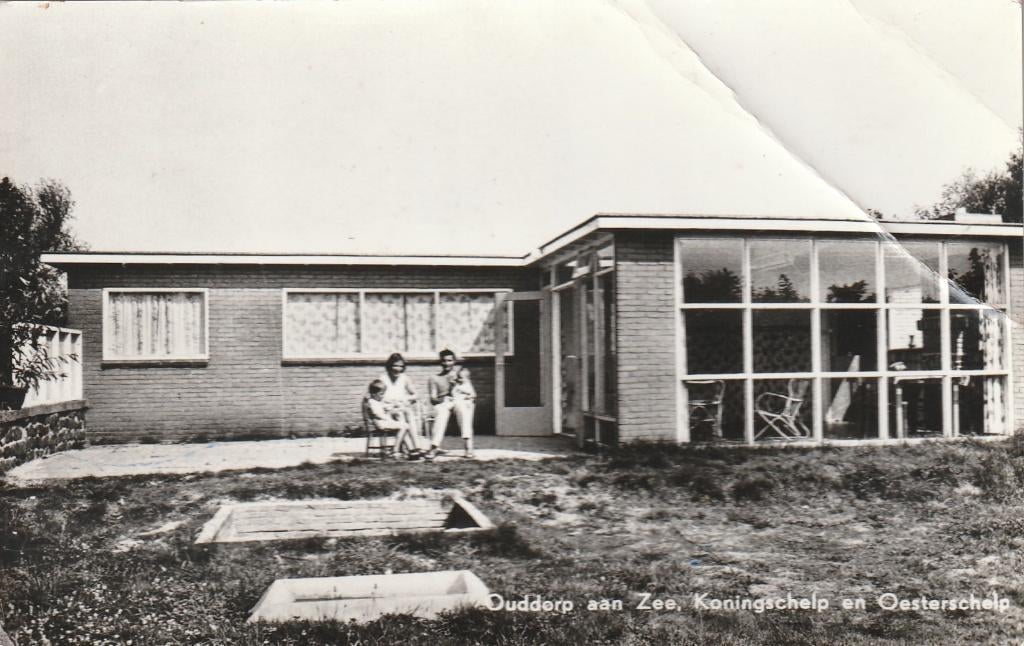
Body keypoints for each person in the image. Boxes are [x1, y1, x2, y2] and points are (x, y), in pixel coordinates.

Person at [426, 349, 475, 459]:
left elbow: (470, 391)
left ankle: (468, 447)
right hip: (443, 402)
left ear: (454, 362)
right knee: (441, 413)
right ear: (440, 362)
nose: (446, 363)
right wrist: (443, 399)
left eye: (449, 360)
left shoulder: (460, 375)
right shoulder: (434, 378)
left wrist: (463, 392)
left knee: (463, 409)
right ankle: (434, 447)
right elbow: (433, 399)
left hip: (458, 400)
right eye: (444, 361)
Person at [378, 353, 425, 457]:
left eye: (401, 366)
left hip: (400, 408)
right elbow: (378, 397)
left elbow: (416, 395)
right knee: (401, 414)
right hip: (387, 410)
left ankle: (416, 447)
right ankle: (411, 449)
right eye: (395, 365)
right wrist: (391, 405)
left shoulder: (404, 378)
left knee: (407, 413)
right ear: (390, 365)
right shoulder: (383, 378)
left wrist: (406, 399)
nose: (398, 369)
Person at [366, 379, 422, 460]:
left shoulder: (376, 401)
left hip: (382, 422)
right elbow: (378, 414)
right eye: (381, 394)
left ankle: (410, 450)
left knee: (403, 425)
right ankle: (396, 449)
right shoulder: (372, 402)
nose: (382, 396)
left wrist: (391, 408)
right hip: (380, 423)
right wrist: (389, 416)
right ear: (374, 394)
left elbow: (383, 408)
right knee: (404, 426)